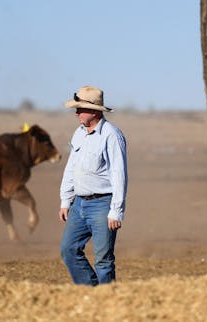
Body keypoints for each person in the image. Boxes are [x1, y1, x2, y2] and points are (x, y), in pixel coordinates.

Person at [59, 85, 128, 286]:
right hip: (78, 204)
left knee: (103, 259)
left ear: (94, 110)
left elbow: (119, 174)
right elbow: (71, 167)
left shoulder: (111, 135)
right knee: (68, 250)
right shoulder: (78, 133)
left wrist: (116, 211)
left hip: (102, 204)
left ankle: (107, 301)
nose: (76, 113)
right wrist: (66, 199)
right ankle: (91, 292)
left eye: (80, 109)